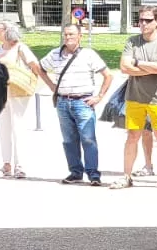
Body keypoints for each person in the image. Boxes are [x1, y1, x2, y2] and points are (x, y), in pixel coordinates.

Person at [31, 23, 112, 185]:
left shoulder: (89, 55)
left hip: (83, 102)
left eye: (72, 35)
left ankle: (93, 174)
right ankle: (75, 172)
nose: (68, 38)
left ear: (79, 37)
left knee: (88, 139)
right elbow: (39, 68)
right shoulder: (55, 54)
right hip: (63, 101)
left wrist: (99, 97)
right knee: (68, 140)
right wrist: (51, 85)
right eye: (66, 34)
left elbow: (108, 75)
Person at [114, 7, 157, 190]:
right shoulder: (132, 42)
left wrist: (137, 63)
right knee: (132, 136)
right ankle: (126, 176)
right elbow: (124, 67)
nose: (143, 23)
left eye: (148, 20)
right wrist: (151, 68)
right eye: (141, 20)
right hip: (134, 97)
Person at [0, 22, 38, 179]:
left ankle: (20, 165)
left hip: (18, 92)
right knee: (3, 128)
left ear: (7, 31)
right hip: (2, 93)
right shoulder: (0, 48)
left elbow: (35, 65)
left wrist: (33, 82)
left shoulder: (20, 47)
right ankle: (6, 164)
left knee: (18, 128)